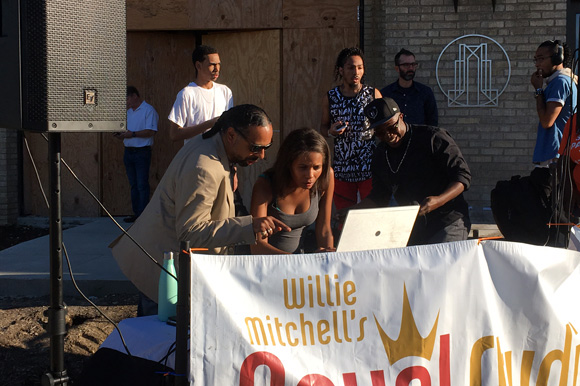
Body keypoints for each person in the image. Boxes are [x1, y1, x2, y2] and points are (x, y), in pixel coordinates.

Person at [110, 104, 291, 309]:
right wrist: (249, 227)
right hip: (163, 277)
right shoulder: (203, 168)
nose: (261, 156)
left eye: (267, 148)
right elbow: (190, 231)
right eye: (255, 148)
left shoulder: (215, 145)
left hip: (167, 269)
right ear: (231, 135)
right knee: (163, 339)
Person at [357, 97, 471, 245]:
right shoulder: (380, 154)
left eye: (391, 127)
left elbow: (462, 177)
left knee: (440, 262)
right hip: (413, 227)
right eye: (379, 133)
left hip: (448, 221)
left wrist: (438, 200)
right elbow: (379, 196)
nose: (388, 135)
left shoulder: (433, 137)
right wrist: (352, 212)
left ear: (401, 117)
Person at [250, 128, 335, 254]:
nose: (310, 175)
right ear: (289, 164)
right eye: (303, 168)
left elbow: (324, 229)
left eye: (316, 167)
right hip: (269, 267)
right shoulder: (265, 185)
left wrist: (329, 260)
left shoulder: (326, 178)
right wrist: (297, 262)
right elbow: (258, 247)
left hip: (299, 268)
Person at [320, 47, 382, 211]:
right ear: (341, 70)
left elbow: (384, 125)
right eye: (351, 67)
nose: (356, 72)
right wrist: (330, 132)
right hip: (342, 169)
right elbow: (323, 126)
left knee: (371, 215)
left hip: (369, 168)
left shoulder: (373, 94)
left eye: (360, 67)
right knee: (344, 217)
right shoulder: (331, 97)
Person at [168, 45, 233, 143]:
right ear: (198, 66)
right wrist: (209, 124)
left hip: (219, 155)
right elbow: (174, 134)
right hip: (196, 155)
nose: (217, 69)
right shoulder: (187, 94)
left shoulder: (225, 91)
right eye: (212, 65)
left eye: (218, 64)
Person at [114, 86, 159, 223]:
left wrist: (132, 134)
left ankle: (143, 216)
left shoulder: (148, 110)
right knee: (133, 184)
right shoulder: (128, 113)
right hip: (129, 152)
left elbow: (151, 131)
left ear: (135, 96)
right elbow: (126, 131)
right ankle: (136, 214)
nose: (126, 102)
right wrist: (120, 135)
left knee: (141, 184)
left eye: (127, 98)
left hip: (142, 152)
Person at [530, 40, 577, 166]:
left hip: (555, 156)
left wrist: (538, 90)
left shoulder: (560, 82)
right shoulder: (560, 81)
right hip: (555, 155)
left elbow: (547, 121)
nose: (537, 64)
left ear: (557, 58)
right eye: (536, 60)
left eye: (541, 59)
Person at [380, 48, 438, 126]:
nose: (410, 68)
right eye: (406, 65)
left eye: (413, 64)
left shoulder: (425, 92)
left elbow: (432, 122)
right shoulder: (386, 94)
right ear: (397, 68)